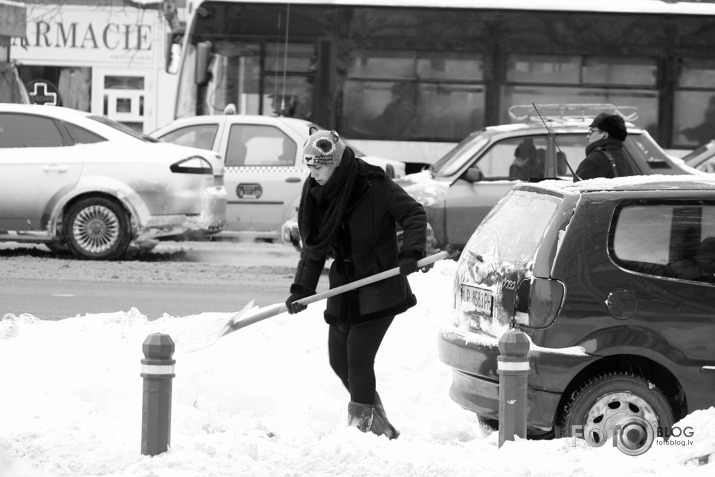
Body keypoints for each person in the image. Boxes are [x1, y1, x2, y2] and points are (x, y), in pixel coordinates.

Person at [284, 128, 427, 439]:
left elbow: (414, 213)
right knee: (339, 360)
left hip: (379, 285)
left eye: (318, 167)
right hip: (345, 287)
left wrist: (411, 252)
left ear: (335, 163)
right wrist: (301, 290)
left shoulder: (372, 183)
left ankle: (362, 430)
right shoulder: (316, 195)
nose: (313, 174)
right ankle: (379, 424)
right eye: (310, 167)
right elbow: (315, 247)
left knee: (358, 359)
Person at [574, 113, 635, 181]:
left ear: (604, 135)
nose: (587, 136)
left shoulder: (593, 161)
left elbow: (576, 190)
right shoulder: (627, 159)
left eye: (591, 131)